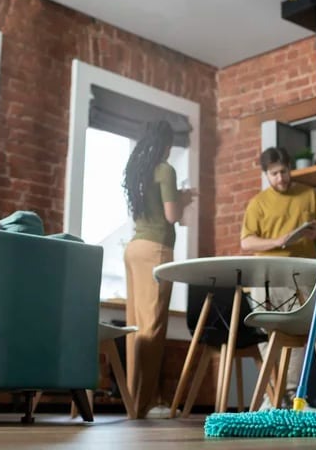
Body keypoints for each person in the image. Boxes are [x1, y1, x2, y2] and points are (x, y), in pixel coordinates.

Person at [240, 146, 316, 408]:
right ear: (266, 175)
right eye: (274, 174)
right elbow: (246, 242)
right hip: (265, 276)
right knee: (266, 334)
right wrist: (278, 240)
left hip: (302, 274)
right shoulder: (258, 203)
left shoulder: (308, 195)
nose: (281, 178)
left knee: (299, 335)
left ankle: (293, 397)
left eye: (284, 171)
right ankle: (272, 395)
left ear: (290, 168)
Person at [122, 120, 194, 419]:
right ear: (166, 143)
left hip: (134, 248)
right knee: (153, 329)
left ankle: (132, 402)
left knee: (135, 328)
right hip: (157, 250)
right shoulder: (165, 169)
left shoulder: (136, 171)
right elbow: (172, 214)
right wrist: (185, 198)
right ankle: (143, 404)